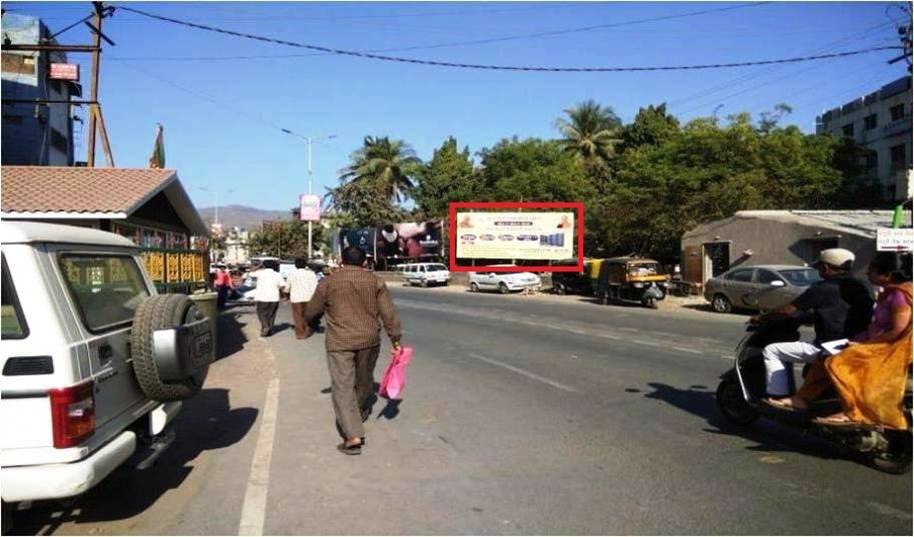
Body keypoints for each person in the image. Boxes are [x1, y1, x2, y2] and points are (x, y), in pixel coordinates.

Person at [306, 246, 402, 456]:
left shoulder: (328, 282)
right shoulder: (375, 281)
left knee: (342, 386)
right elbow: (388, 312)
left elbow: (312, 310)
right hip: (369, 340)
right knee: (365, 381)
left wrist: (310, 322)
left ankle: (352, 436)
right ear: (365, 263)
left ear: (341, 261)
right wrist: (395, 339)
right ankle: (356, 414)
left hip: (340, 342)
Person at [752, 248, 874, 408]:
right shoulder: (863, 285)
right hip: (859, 343)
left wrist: (761, 317)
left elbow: (788, 310)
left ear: (826, 268)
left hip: (829, 346)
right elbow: (837, 310)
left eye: (819, 267)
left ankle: (779, 396)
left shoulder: (823, 288)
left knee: (772, 350)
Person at [812, 252, 913, 427]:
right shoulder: (889, 292)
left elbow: (897, 330)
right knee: (825, 355)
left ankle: (854, 412)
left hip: (893, 348)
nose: (867, 274)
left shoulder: (899, 295)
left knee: (836, 363)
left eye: (872, 271)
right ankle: (807, 399)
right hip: (879, 341)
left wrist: (863, 345)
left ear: (887, 275)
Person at [284, 257, 318, 339]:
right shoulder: (311, 274)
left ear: (295, 265)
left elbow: (287, 288)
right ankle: (307, 329)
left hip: (296, 298)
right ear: (305, 265)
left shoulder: (291, 274)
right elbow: (316, 286)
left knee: (298, 316)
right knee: (307, 315)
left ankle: (300, 333)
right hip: (309, 297)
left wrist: (286, 296)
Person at [250, 261, 285, 338]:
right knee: (271, 314)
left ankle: (265, 327)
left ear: (264, 266)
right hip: (274, 297)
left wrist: (258, 266)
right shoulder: (278, 274)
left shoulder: (260, 273)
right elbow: (282, 286)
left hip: (262, 297)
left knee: (261, 313)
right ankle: (269, 330)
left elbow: (250, 273)